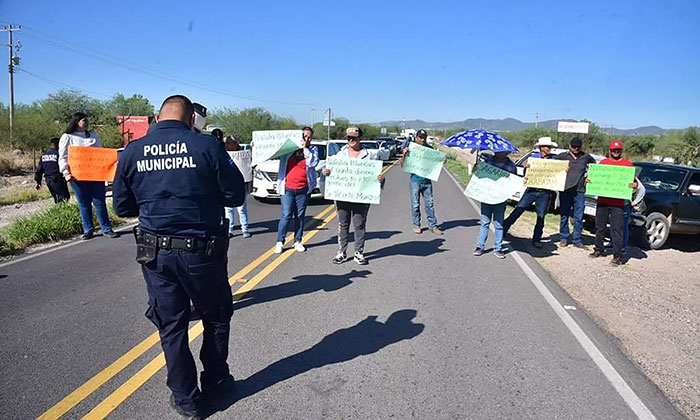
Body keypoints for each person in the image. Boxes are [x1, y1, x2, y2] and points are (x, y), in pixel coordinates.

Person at [113, 95, 245, 419]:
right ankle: (215, 384)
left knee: (171, 326)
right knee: (215, 316)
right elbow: (235, 193)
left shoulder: (132, 151)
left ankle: (186, 401)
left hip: (154, 254)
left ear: (157, 118)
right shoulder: (206, 146)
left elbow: (122, 207)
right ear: (190, 119)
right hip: (201, 251)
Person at [322, 126, 385, 265]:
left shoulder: (370, 156)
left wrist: (380, 180)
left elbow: (376, 176)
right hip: (343, 196)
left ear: (360, 138)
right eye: (348, 138)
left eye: (354, 137)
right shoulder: (340, 155)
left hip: (361, 197)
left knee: (359, 225)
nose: (351, 140)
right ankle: (341, 252)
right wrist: (325, 172)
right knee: (343, 224)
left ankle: (358, 253)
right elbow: (328, 169)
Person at [58, 112, 117, 240]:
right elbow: (62, 157)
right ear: (77, 122)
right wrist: (65, 173)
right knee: (84, 203)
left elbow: (100, 154)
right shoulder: (67, 137)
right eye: (84, 120)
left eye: (87, 120)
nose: (87, 123)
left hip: (95, 175)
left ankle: (106, 228)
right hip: (77, 176)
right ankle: (88, 230)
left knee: (99, 201)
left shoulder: (93, 136)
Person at [502, 137, 557, 248]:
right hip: (531, 190)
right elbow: (526, 174)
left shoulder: (554, 161)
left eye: (549, 147)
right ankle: (502, 231)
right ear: (541, 148)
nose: (548, 148)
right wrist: (526, 167)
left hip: (545, 192)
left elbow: (557, 174)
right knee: (518, 210)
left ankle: (537, 239)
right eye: (546, 146)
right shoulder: (533, 158)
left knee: (541, 216)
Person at [589, 140, 637, 266]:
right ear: (609, 151)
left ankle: (617, 256)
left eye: (618, 150)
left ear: (621, 151)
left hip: (618, 204)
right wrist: (589, 181)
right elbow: (593, 179)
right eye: (613, 150)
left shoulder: (628, 165)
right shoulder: (603, 163)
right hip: (602, 201)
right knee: (600, 227)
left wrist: (634, 185)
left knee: (617, 230)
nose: (616, 152)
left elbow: (635, 183)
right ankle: (599, 249)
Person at [274, 126, 319, 254]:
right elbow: (273, 154)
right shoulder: (289, 148)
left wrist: (305, 148)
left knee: (300, 216)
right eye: (305, 136)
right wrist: (257, 146)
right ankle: (280, 241)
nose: (307, 139)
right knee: (286, 215)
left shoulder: (313, 150)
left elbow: (312, 163)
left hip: (303, 189)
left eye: (309, 137)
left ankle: (297, 241)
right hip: (288, 188)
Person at [473, 151, 518, 259]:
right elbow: (479, 175)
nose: (497, 152)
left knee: (498, 224)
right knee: (485, 222)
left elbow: (514, 181)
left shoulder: (511, 166)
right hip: (487, 197)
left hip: (500, 199)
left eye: (500, 151)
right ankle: (480, 247)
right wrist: (476, 168)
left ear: (506, 152)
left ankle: (498, 248)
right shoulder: (488, 161)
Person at [554, 136, 597, 248]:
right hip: (566, 190)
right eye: (573, 147)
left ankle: (577, 240)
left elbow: (595, 166)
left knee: (578, 217)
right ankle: (564, 238)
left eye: (578, 147)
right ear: (569, 146)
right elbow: (550, 165)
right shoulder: (563, 156)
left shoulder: (586, 157)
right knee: (564, 215)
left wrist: (589, 175)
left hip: (580, 192)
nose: (576, 149)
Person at [400, 129, 443, 235]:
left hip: (427, 181)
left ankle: (433, 226)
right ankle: (416, 225)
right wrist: (404, 155)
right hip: (415, 180)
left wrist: (441, 161)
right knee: (415, 204)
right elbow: (403, 165)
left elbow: (434, 165)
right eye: (420, 137)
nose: (422, 139)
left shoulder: (429, 149)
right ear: (416, 138)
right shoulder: (411, 148)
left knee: (430, 204)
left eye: (424, 137)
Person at [224, 135, 252, 238]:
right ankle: (230, 230)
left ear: (235, 144)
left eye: (228, 143)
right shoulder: (223, 153)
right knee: (229, 209)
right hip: (228, 185)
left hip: (241, 185)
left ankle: (245, 229)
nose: (226, 145)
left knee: (241, 208)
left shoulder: (244, 154)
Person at [35, 137, 70, 203]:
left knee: (57, 199)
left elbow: (39, 170)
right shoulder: (59, 155)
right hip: (57, 179)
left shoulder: (44, 156)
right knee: (64, 198)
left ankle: (58, 211)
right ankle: (61, 212)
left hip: (48, 181)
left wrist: (38, 181)